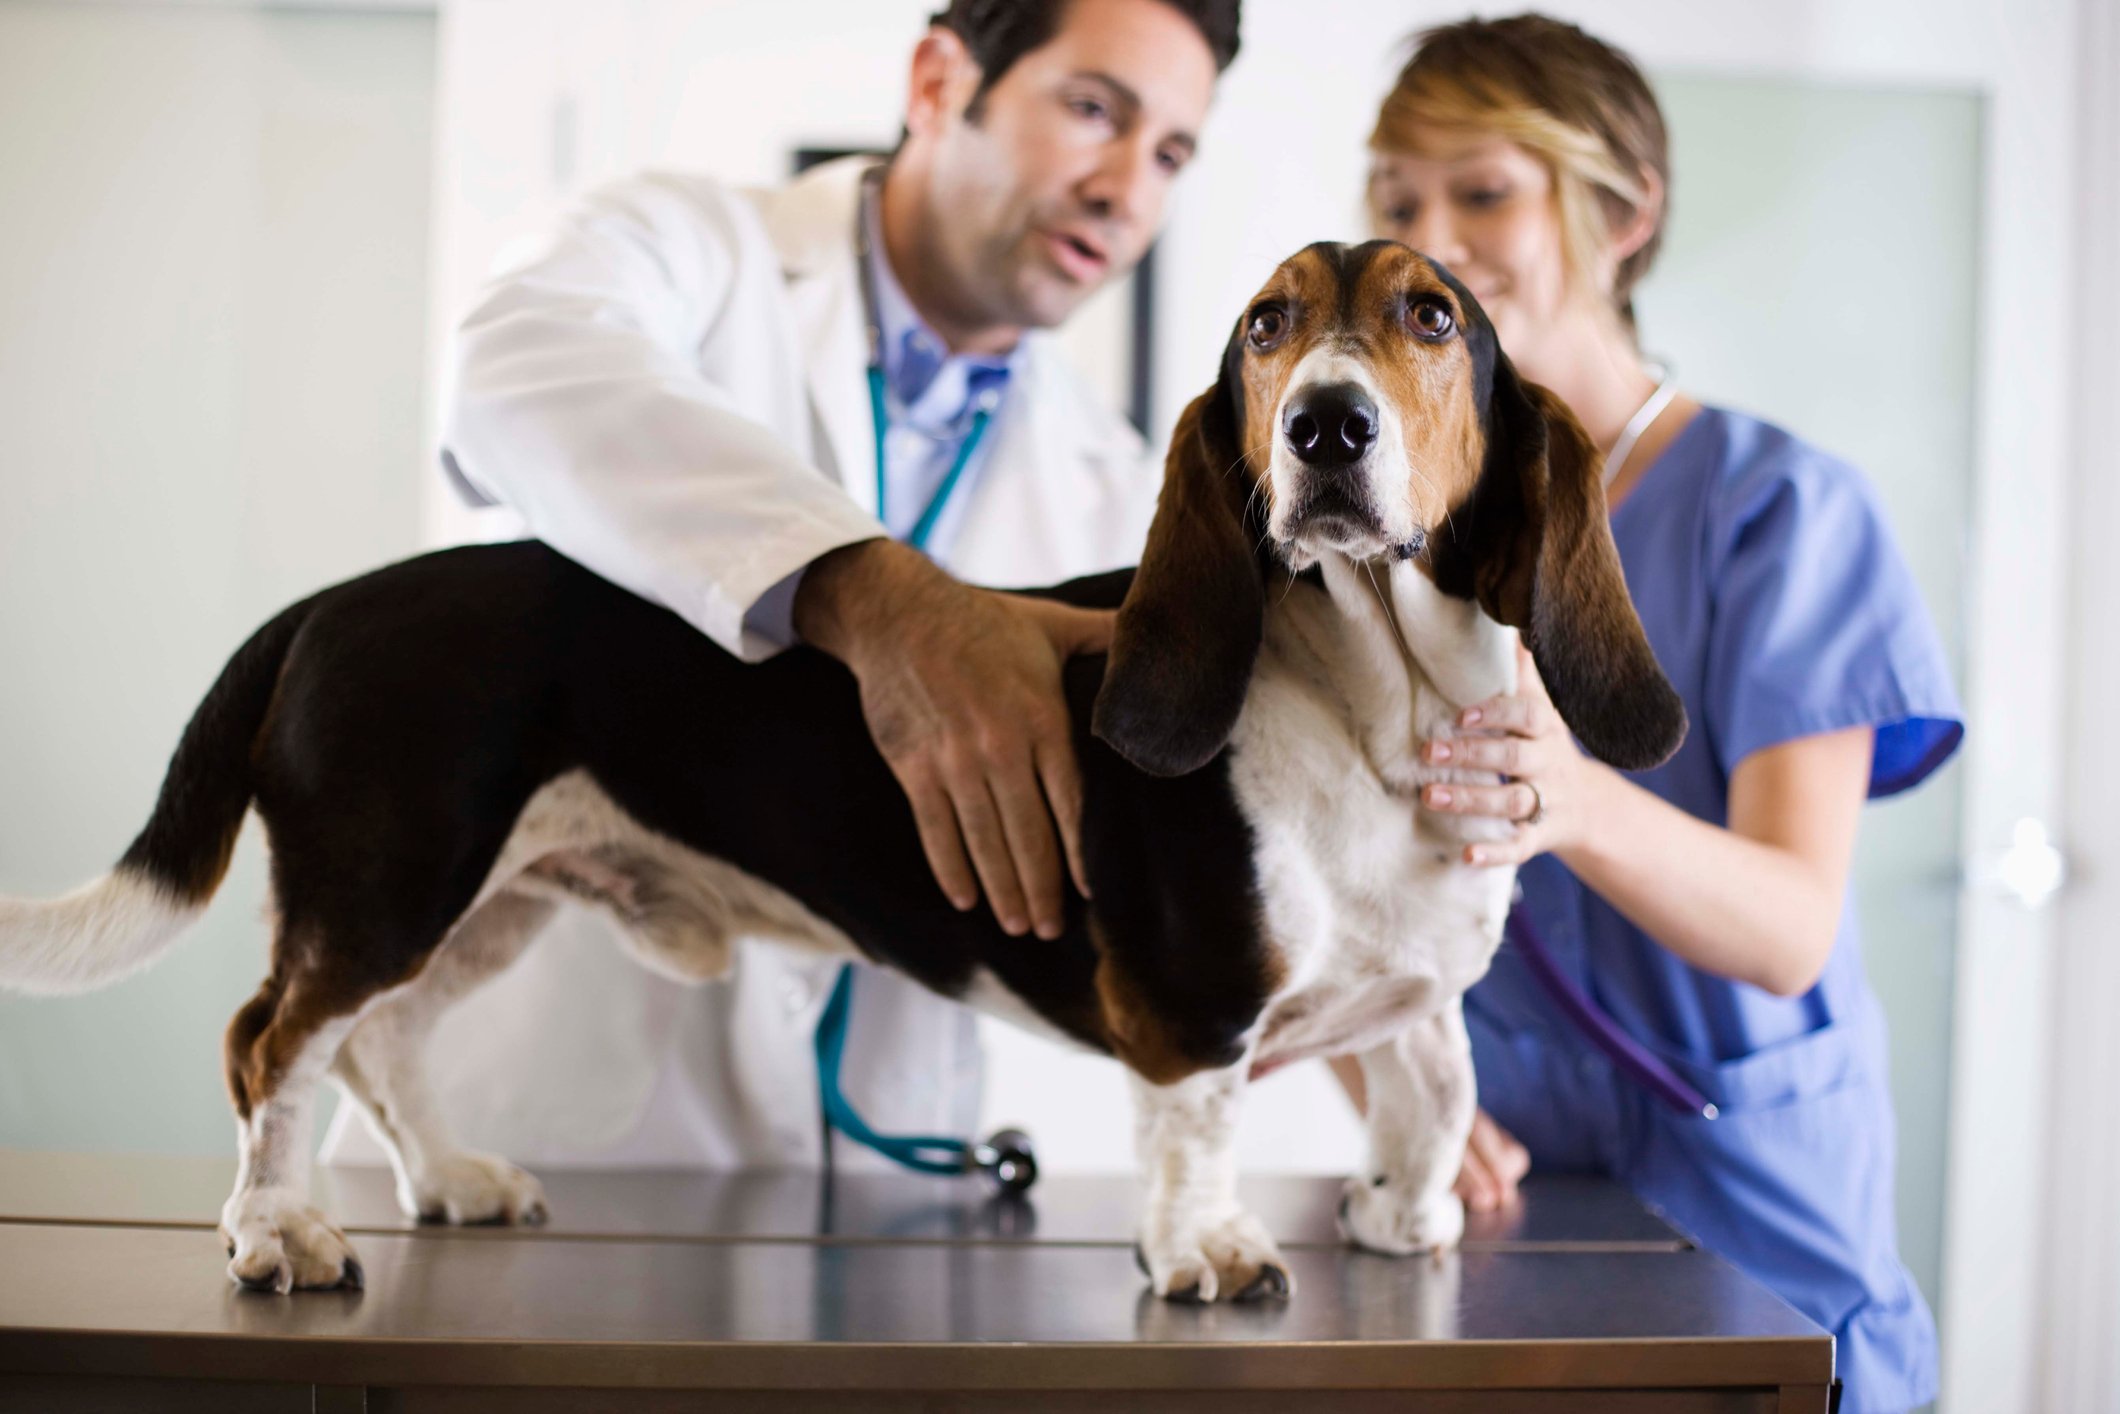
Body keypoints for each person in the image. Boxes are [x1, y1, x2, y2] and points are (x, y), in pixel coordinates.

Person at [320, 0, 1241, 1171]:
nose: (1127, 189)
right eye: (1092, 109)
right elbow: (515, 369)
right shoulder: (686, 245)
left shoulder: (1114, 489)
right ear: (935, 80)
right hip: (551, 1159)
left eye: (1169, 153)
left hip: (891, 1195)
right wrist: (872, 598)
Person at [1342, 16, 1962, 1413]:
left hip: (1748, 1203)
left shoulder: (1779, 517)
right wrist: (1382, 1072)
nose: (1427, 241)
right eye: (1395, 200)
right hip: (1490, 1215)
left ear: (1622, 212)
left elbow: (1792, 927)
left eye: (1481, 191)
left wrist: (1576, 798)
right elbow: (1342, 856)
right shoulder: (1399, 527)